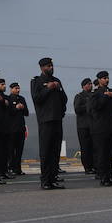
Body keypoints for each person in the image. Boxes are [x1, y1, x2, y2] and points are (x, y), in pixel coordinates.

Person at [30, 57, 68, 190]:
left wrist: (59, 89)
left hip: (57, 120)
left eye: (51, 65)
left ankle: (53, 179)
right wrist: (48, 88)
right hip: (45, 121)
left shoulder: (57, 81)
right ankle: (45, 181)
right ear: (42, 68)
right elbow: (36, 98)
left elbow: (64, 99)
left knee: (55, 151)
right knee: (46, 151)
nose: (51, 68)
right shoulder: (37, 81)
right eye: (48, 66)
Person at [88, 73, 112, 186]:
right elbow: (95, 107)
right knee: (102, 154)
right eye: (104, 78)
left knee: (109, 154)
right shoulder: (95, 93)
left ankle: (110, 176)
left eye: (107, 78)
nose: (107, 80)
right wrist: (105, 96)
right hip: (100, 129)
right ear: (99, 80)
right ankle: (104, 178)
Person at [6, 81, 31, 179]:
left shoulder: (22, 99)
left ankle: (18, 168)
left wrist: (22, 107)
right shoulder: (8, 99)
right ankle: (11, 168)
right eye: (16, 88)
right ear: (11, 89)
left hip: (20, 128)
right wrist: (16, 108)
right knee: (11, 150)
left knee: (19, 150)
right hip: (11, 129)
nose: (18, 90)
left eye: (18, 88)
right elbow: (8, 113)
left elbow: (27, 113)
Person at [73, 77, 96, 176]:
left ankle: (95, 166)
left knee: (94, 147)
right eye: (88, 84)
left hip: (94, 125)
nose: (90, 85)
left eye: (91, 84)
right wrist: (88, 105)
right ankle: (88, 167)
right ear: (83, 86)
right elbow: (77, 109)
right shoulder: (79, 96)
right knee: (85, 148)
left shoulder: (94, 95)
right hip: (83, 126)